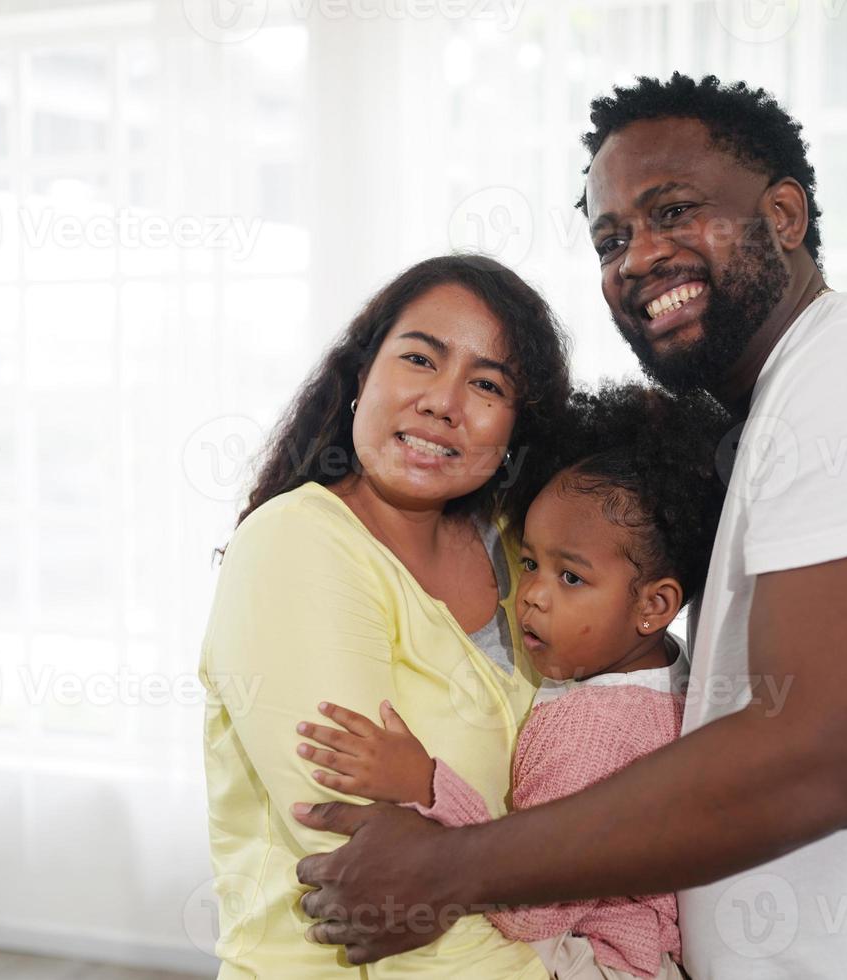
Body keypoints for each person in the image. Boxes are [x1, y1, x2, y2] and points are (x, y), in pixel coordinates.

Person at [291, 74, 847, 979]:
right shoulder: (763, 423)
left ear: (784, 215)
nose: (638, 258)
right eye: (611, 238)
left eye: (674, 211)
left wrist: (449, 869)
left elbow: (824, 752)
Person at [199, 254, 569, 977]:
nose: (442, 401)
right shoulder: (295, 543)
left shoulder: (524, 547)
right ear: (362, 375)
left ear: (518, 426)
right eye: (419, 359)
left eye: (488, 383)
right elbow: (367, 871)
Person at [294, 384, 731, 980]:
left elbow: (528, 903)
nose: (533, 596)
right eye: (529, 563)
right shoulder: (673, 679)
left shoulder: (588, 729)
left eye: (571, 577)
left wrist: (424, 781)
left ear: (654, 604)